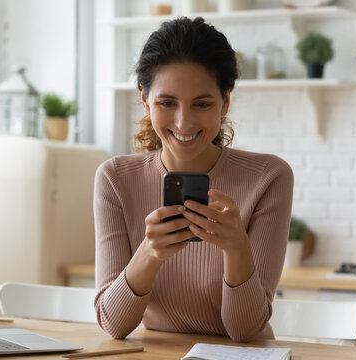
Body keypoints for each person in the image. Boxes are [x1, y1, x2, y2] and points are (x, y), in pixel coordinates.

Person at [93, 17, 294, 341]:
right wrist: (149, 253)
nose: (184, 123)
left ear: (225, 101)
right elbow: (113, 325)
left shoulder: (269, 177)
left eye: (202, 104)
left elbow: (245, 332)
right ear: (145, 100)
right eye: (166, 103)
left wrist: (236, 248)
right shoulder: (115, 179)